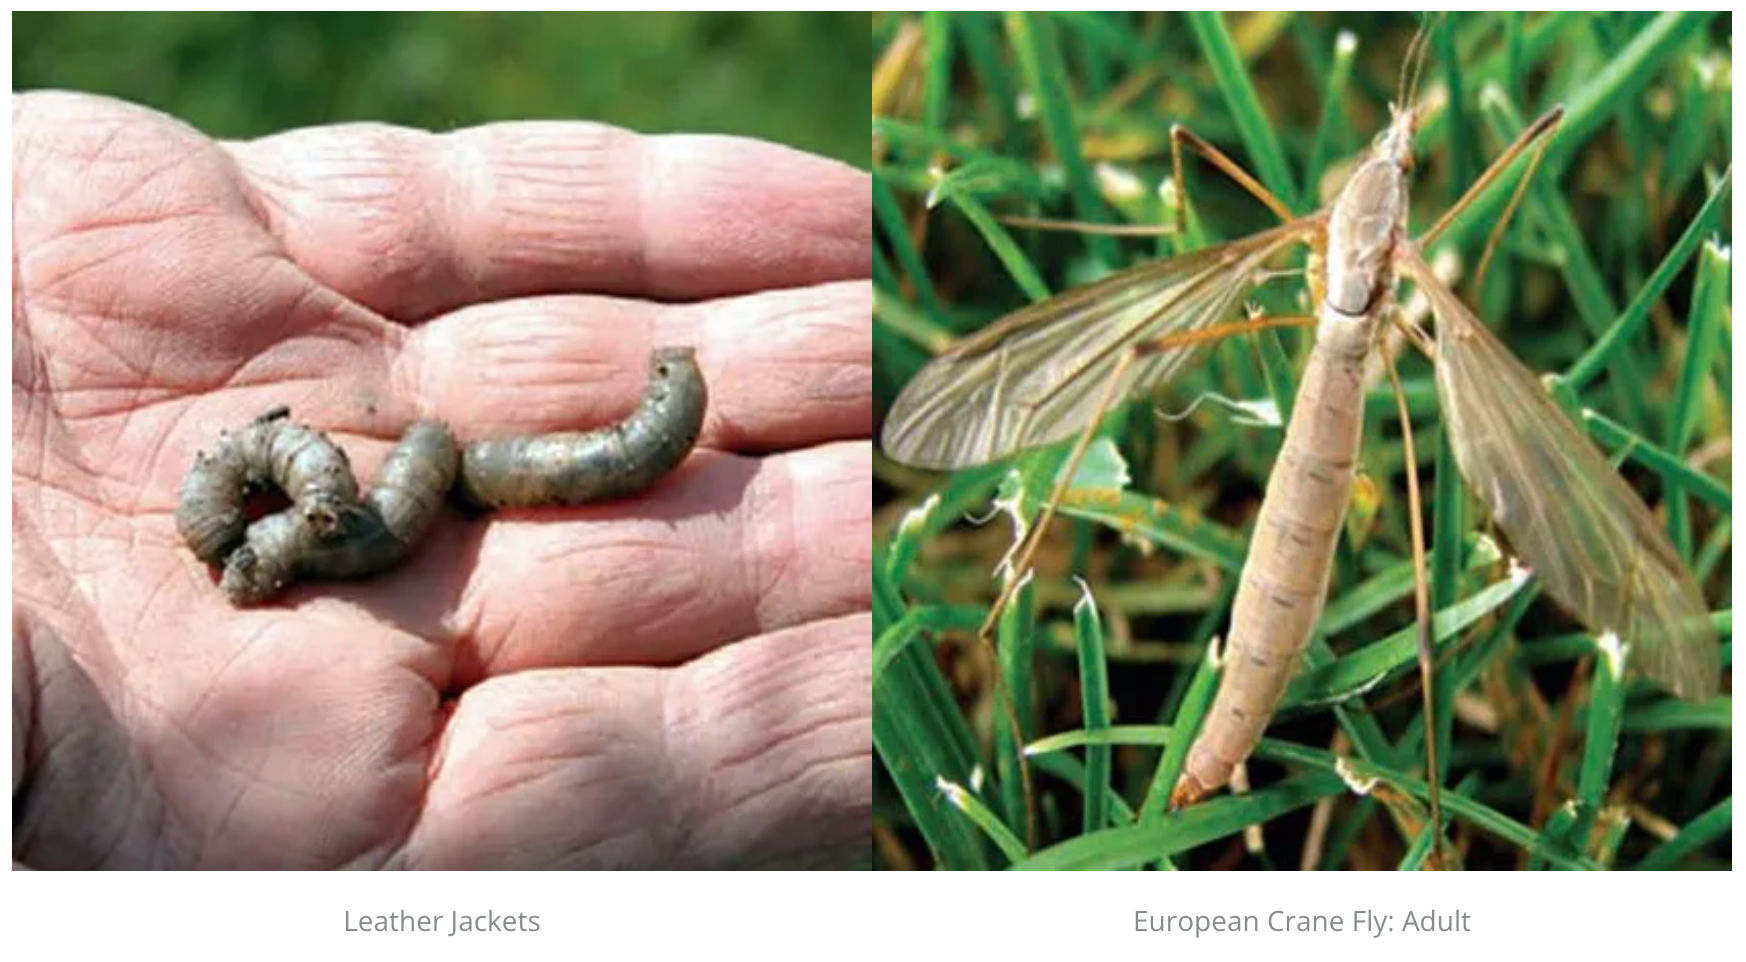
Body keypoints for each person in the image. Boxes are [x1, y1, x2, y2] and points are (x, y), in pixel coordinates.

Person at [12, 91, 872, 869]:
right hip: (401, 483)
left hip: (423, 476)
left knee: (606, 462)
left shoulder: (331, 499)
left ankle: (661, 401)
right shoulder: (320, 511)